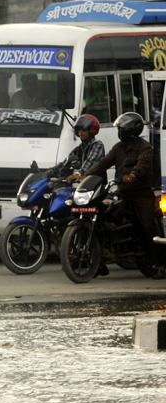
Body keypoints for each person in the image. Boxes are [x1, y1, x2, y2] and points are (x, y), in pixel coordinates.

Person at [83, 112, 165, 279]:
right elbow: (104, 162)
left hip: (140, 194)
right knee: (101, 216)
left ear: (134, 130)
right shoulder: (118, 147)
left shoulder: (145, 147)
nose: (121, 132)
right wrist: (86, 174)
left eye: (124, 128)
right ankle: (99, 262)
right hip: (121, 192)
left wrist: (132, 175)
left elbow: (142, 165)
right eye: (120, 129)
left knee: (148, 225)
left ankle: (159, 264)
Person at [49, 115, 105, 181]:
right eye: (79, 130)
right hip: (83, 185)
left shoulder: (97, 145)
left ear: (91, 130)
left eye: (84, 129)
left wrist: (79, 173)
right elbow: (65, 163)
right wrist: (50, 172)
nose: (80, 132)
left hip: (97, 183)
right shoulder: (78, 150)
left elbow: (91, 161)